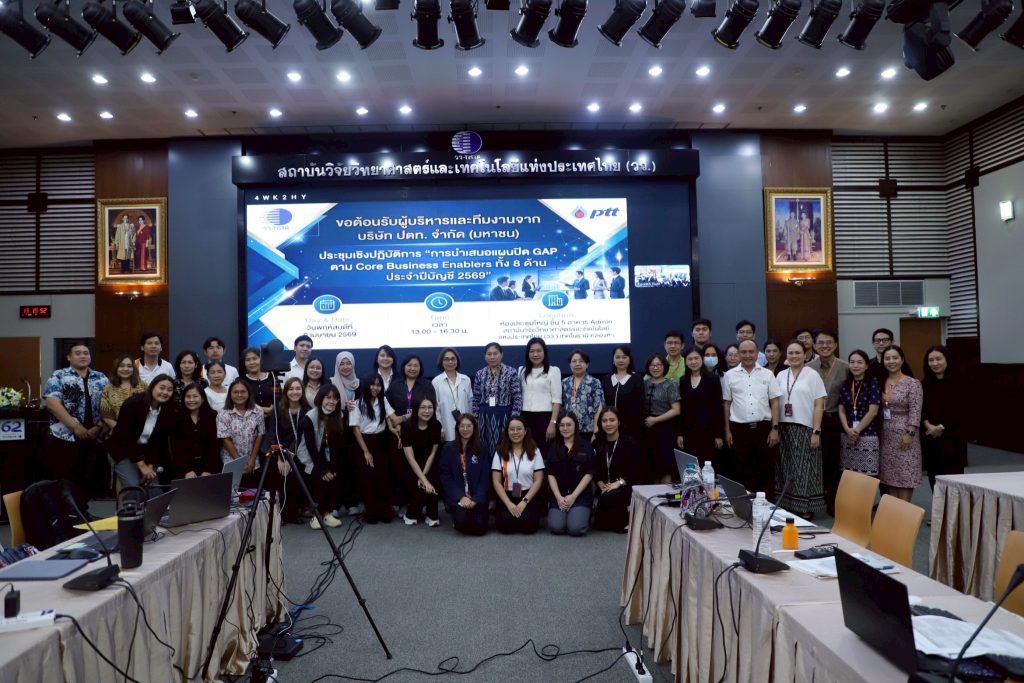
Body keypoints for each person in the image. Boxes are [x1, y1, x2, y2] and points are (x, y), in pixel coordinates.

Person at [43, 341, 110, 510]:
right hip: (64, 438)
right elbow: (52, 404)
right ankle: (65, 517)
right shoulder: (59, 376)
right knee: (64, 481)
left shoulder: (101, 377)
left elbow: (110, 405)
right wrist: (75, 427)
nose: (83, 356)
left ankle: (82, 514)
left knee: (88, 480)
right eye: (78, 353)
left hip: (93, 437)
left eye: (86, 353)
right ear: (69, 357)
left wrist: (98, 427)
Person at [722, 340, 782, 497]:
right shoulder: (730, 375)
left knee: (765, 470)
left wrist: (775, 429)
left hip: (763, 429)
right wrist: (727, 431)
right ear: (738, 354)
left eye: (751, 352)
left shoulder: (767, 374)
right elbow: (727, 404)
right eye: (743, 352)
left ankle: (767, 505)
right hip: (739, 430)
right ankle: (745, 506)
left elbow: (775, 403)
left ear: (757, 354)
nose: (747, 355)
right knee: (742, 469)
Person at [776, 341, 827, 519]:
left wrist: (816, 431)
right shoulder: (781, 375)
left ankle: (805, 507)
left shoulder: (813, 375)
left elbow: (819, 405)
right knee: (786, 467)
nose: (794, 356)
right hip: (784, 427)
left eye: (798, 353)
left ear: (805, 355)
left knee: (805, 470)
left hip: (806, 428)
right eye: (790, 353)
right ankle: (788, 504)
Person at [807, 328, 850, 515]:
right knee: (814, 462)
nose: (825, 346)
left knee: (834, 463)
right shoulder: (808, 368)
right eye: (821, 343)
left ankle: (833, 502)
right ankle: (815, 502)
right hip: (812, 421)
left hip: (835, 421)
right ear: (814, 345)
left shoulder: (845, 367)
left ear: (835, 345)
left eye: (829, 342)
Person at [106, 374, 176, 488]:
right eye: (162, 388)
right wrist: (142, 465)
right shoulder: (133, 404)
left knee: (152, 484)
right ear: (152, 387)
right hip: (123, 451)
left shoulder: (168, 410)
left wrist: (151, 464)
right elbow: (125, 438)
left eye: (169, 390)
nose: (165, 392)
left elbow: (159, 442)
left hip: (145, 452)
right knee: (134, 486)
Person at [350, 375, 400, 524]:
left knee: (383, 477)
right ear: (367, 385)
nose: (375, 388)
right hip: (364, 443)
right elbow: (355, 429)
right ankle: (371, 512)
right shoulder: (357, 404)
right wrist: (366, 451)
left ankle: (384, 512)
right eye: (373, 384)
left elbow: (393, 417)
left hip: (381, 441)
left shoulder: (383, 400)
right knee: (368, 479)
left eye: (378, 385)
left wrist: (397, 428)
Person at [298, 384, 347, 529]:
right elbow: (311, 448)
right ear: (321, 398)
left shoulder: (338, 416)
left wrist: (332, 468)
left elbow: (337, 446)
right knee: (321, 480)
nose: (331, 401)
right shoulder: (310, 417)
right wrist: (323, 470)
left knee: (335, 478)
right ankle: (317, 515)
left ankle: (327, 514)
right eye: (328, 397)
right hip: (310, 458)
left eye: (335, 398)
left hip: (328, 456)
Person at [879, 345, 923, 502]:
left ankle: (904, 512)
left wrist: (910, 433)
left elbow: (915, 410)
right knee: (890, 474)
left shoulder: (912, 383)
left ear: (902, 360)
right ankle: (893, 511)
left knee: (905, 473)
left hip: (905, 433)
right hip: (885, 434)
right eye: (887, 358)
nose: (891, 361)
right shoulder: (880, 381)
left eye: (895, 358)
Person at [592, 407, 646, 532]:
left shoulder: (630, 443)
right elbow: (593, 468)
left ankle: (627, 515)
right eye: (604, 421)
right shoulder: (597, 443)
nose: (608, 424)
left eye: (612, 420)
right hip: (605, 488)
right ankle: (623, 517)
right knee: (600, 525)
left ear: (619, 422)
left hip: (625, 486)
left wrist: (619, 482)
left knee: (615, 523)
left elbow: (639, 470)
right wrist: (599, 481)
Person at [920, 345, 966, 489]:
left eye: (939, 359)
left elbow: (961, 410)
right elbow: (921, 408)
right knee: (934, 480)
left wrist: (941, 427)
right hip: (931, 438)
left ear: (947, 359)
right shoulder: (924, 383)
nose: (935, 363)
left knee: (954, 483)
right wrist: (927, 425)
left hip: (952, 438)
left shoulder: (960, 381)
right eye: (931, 360)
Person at [491, 416, 545, 534]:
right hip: (506, 495)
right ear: (507, 432)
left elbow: (538, 480)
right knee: (504, 526)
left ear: (525, 431)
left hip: (528, 495)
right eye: (512, 429)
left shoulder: (535, 451)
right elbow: (496, 481)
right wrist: (509, 504)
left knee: (529, 526)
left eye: (519, 429)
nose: (515, 432)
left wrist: (524, 502)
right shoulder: (500, 452)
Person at [438, 414, 490, 536]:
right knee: (462, 524)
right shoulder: (448, 448)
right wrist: (461, 497)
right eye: (462, 426)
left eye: (469, 426)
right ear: (457, 428)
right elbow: (445, 476)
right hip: (458, 497)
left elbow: (485, 477)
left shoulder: (482, 447)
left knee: (480, 529)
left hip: (477, 497)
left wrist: (476, 499)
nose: (465, 429)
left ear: (474, 428)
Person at [472, 342, 523, 463]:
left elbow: (517, 397)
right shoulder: (480, 374)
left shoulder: (511, 372)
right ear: (485, 356)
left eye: (495, 354)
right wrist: (475, 417)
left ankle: (503, 472)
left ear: (501, 354)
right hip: (484, 416)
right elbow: (476, 398)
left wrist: (514, 419)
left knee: (503, 446)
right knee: (484, 448)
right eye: (489, 354)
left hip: (504, 415)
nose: (492, 357)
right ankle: (486, 473)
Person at [400, 397, 445, 526]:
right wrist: (423, 480)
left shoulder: (436, 425)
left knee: (434, 481)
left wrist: (424, 477)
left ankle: (431, 515)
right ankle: (411, 513)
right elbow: (410, 458)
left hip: (429, 464)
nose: (427, 411)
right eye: (423, 407)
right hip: (411, 465)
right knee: (419, 485)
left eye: (430, 407)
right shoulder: (407, 427)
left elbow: (432, 454)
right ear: (416, 409)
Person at [677, 345, 724, 466]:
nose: (693, 362)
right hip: (689, 432)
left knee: (708, 467)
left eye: (696, 358)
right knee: (691, 467)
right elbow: (682, 408)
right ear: (685, 361)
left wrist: (718, 435)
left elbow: (717, 408)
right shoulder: (683, 380)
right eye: (690, 359)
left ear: (702, 359)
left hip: (708, 432)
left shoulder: (712, 379)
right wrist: (680, 433)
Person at [838, 350, 882, 476]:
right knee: (848, 474)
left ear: (866, 365)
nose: (855, 365)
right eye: (852, 362)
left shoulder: (873, 383)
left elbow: (873, 411)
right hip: (847, 434)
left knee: (867, 476)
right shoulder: (846, 384)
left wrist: (856, 431)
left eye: (859, 362)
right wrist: (847, 429)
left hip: (868, 434)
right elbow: (841, 409)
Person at [642, 353, 681, 483]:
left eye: (659, 365)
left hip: (665, 429)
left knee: (665, 466)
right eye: (652, 365)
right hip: (647, 430)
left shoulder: (671, 384)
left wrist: (655, 420)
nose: (656, 368)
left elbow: (676, 410)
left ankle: (665, 494)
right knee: (651, 466)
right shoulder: (644, 383)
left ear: (664, 367)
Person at [168, 383, 220, 480]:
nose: (191, 400)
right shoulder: (177, 417)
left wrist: (208, 469)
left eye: (195, 396)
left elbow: (215, 445)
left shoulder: (212, 416)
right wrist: (187, 470)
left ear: (202, 399)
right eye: (188, 397)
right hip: (184, 470)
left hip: (209, 469)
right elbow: (175, 447)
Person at [216, 379, 265, 480]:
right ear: (230, 394)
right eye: (235, 392)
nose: (239, 395)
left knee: (253, 489)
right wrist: (240, 463)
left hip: (253, 463)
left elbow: (259, 435)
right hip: (231, 462)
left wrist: (252, 459)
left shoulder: (258, 411)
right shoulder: (223, 414)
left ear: (249, 393)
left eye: (243, 391)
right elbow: (226, 440)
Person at [519, 337, 562, 448]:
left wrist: (553, 423)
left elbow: (557, 401)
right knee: (527, 451)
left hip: (544, 418)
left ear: (544, 352)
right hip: (525, 417)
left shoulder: (553, 371)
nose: (535, 354)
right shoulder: (521, 371)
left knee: (544, 452)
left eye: (539, 351)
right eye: (532, 351)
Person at [601, 345, 644, 440]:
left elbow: (639, 405)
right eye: (617, 357)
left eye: (624, 357)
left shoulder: (636, 379)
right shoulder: (606, 379)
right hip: (609, 426)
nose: (621, 360)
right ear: (613, 360)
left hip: (630, 428)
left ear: (630, 359)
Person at [385, 353, 437, 428]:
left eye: (416, 366)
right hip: (398, 427)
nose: (412, 369)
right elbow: (386, 405)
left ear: (420, 368)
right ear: (404, 367)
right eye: (409, 365)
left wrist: (403, 418)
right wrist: (393, 424)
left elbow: (431, 407)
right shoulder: (395, 385)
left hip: (421, 427)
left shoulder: (427, 385)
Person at [432, 348, 472, 442]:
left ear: (457, 361)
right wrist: (440, 429)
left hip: (466, 428)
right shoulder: (436, 381)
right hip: (446, 427)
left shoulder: (466, 379)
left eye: (453, 359)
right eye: (446, 359)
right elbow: (436, 408)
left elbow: (470, 403)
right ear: (441, 362)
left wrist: (472, 424)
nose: (450, 362)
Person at [562, 350, 603, 439]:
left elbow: (599, 407)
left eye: (581, 361)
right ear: (570, 364)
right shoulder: (565, 382)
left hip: (588, 429)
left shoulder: (594, 382)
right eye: (574, 361)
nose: (577, 364)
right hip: (568, 429)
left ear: (587, 364)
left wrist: (596, 428)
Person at [99, 353, 146, 433]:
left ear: (133, 369)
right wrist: (121, 431)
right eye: (121, 366)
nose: (125, 369)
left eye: (129, 366)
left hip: (142, 432)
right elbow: (106, 414)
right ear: (116, 368)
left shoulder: (143, 386)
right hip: (117, 432)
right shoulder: (109, 388)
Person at [241, 346, 275, 416]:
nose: (251, 362)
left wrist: (273, 409)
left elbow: (280, 399)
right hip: (249, 420)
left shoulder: (273, 378)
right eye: (248, 360)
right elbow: (239, 401)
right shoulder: (241, 381)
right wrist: (261, 410)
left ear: (261, 360)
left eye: (255, 359)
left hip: (272, 419)